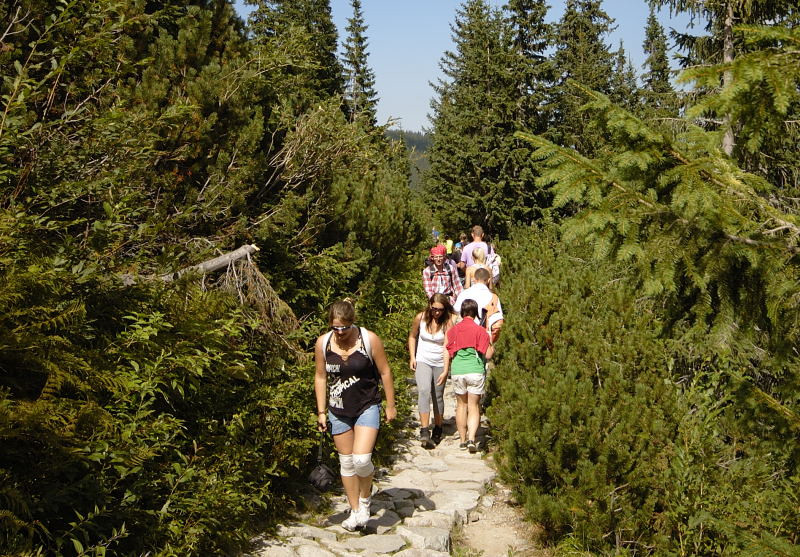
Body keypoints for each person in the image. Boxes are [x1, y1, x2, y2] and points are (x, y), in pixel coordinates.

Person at [314, 300, 397, 531]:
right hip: (337, 409)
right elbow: (320, 376)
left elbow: (385, 371)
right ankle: (356, 510)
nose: (339, 333)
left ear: (352, 323)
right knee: (347, 462)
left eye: (344, 328)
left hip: (366, 405)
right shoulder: (323, 344)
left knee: (361, 459)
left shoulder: (369, 339)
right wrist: (321, 411)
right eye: (335, 328)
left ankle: (365, 497)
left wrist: (391, 405)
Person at [438, 299, 494, 453]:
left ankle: (462, 440)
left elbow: (447, 350)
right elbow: (488, 354)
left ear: (462, 313)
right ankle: (471, 438)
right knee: (473, 406)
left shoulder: (453, 331)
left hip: (458, 370)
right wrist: (490, 340)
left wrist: (445, 370)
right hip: (475, 370)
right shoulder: (480, 330)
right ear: (475, 313)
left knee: (461, 405)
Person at [408, 293, 457, 449]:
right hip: (423, 359)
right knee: (423, 390)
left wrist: (445, 369)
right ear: (429, 306)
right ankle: (424, 429)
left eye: (440, 310)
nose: (436, 312)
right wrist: (412, 356)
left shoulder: (447, 323)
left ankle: (438, 426)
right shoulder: (420, 318)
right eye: (434, 309)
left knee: (437, 396)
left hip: (439, 362)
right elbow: (412, 336)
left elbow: (447, 346)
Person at [454, 268, 504, 343]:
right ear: (489, 280)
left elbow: (454, 314)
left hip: (463, 337)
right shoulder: (493, 298)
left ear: (474, 279)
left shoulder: (464, 294)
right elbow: (498, 322)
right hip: (483, 339)